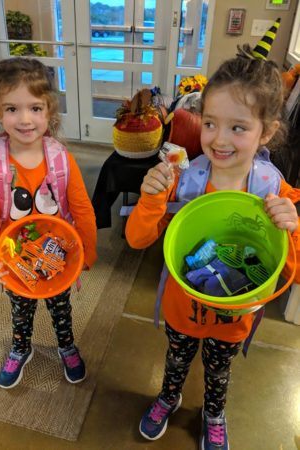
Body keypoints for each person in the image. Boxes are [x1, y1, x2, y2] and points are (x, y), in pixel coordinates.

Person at [125, 53, 300, 449]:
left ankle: (213, 412)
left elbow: (294, 272)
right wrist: (152, 198)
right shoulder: (183, 178)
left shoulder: (274, 190)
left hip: (233, 317)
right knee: (176, 359)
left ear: (267, 133)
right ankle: (169, 396)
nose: (219, 140)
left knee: (219, 371)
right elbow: (137, 239)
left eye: (238, 127)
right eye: (210, 124)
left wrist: (292, 226)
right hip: (182, 306)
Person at [0, 58, 97, 389]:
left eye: (35, 108)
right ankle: (21, 346)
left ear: (49, 110)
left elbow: (82, 208)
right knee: (20, 309)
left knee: (60, 307)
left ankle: (66, 345)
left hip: (57, 255)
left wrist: (87, 252)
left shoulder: (61, 159)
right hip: (14, 259)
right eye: (12, 109)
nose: (25, 120)